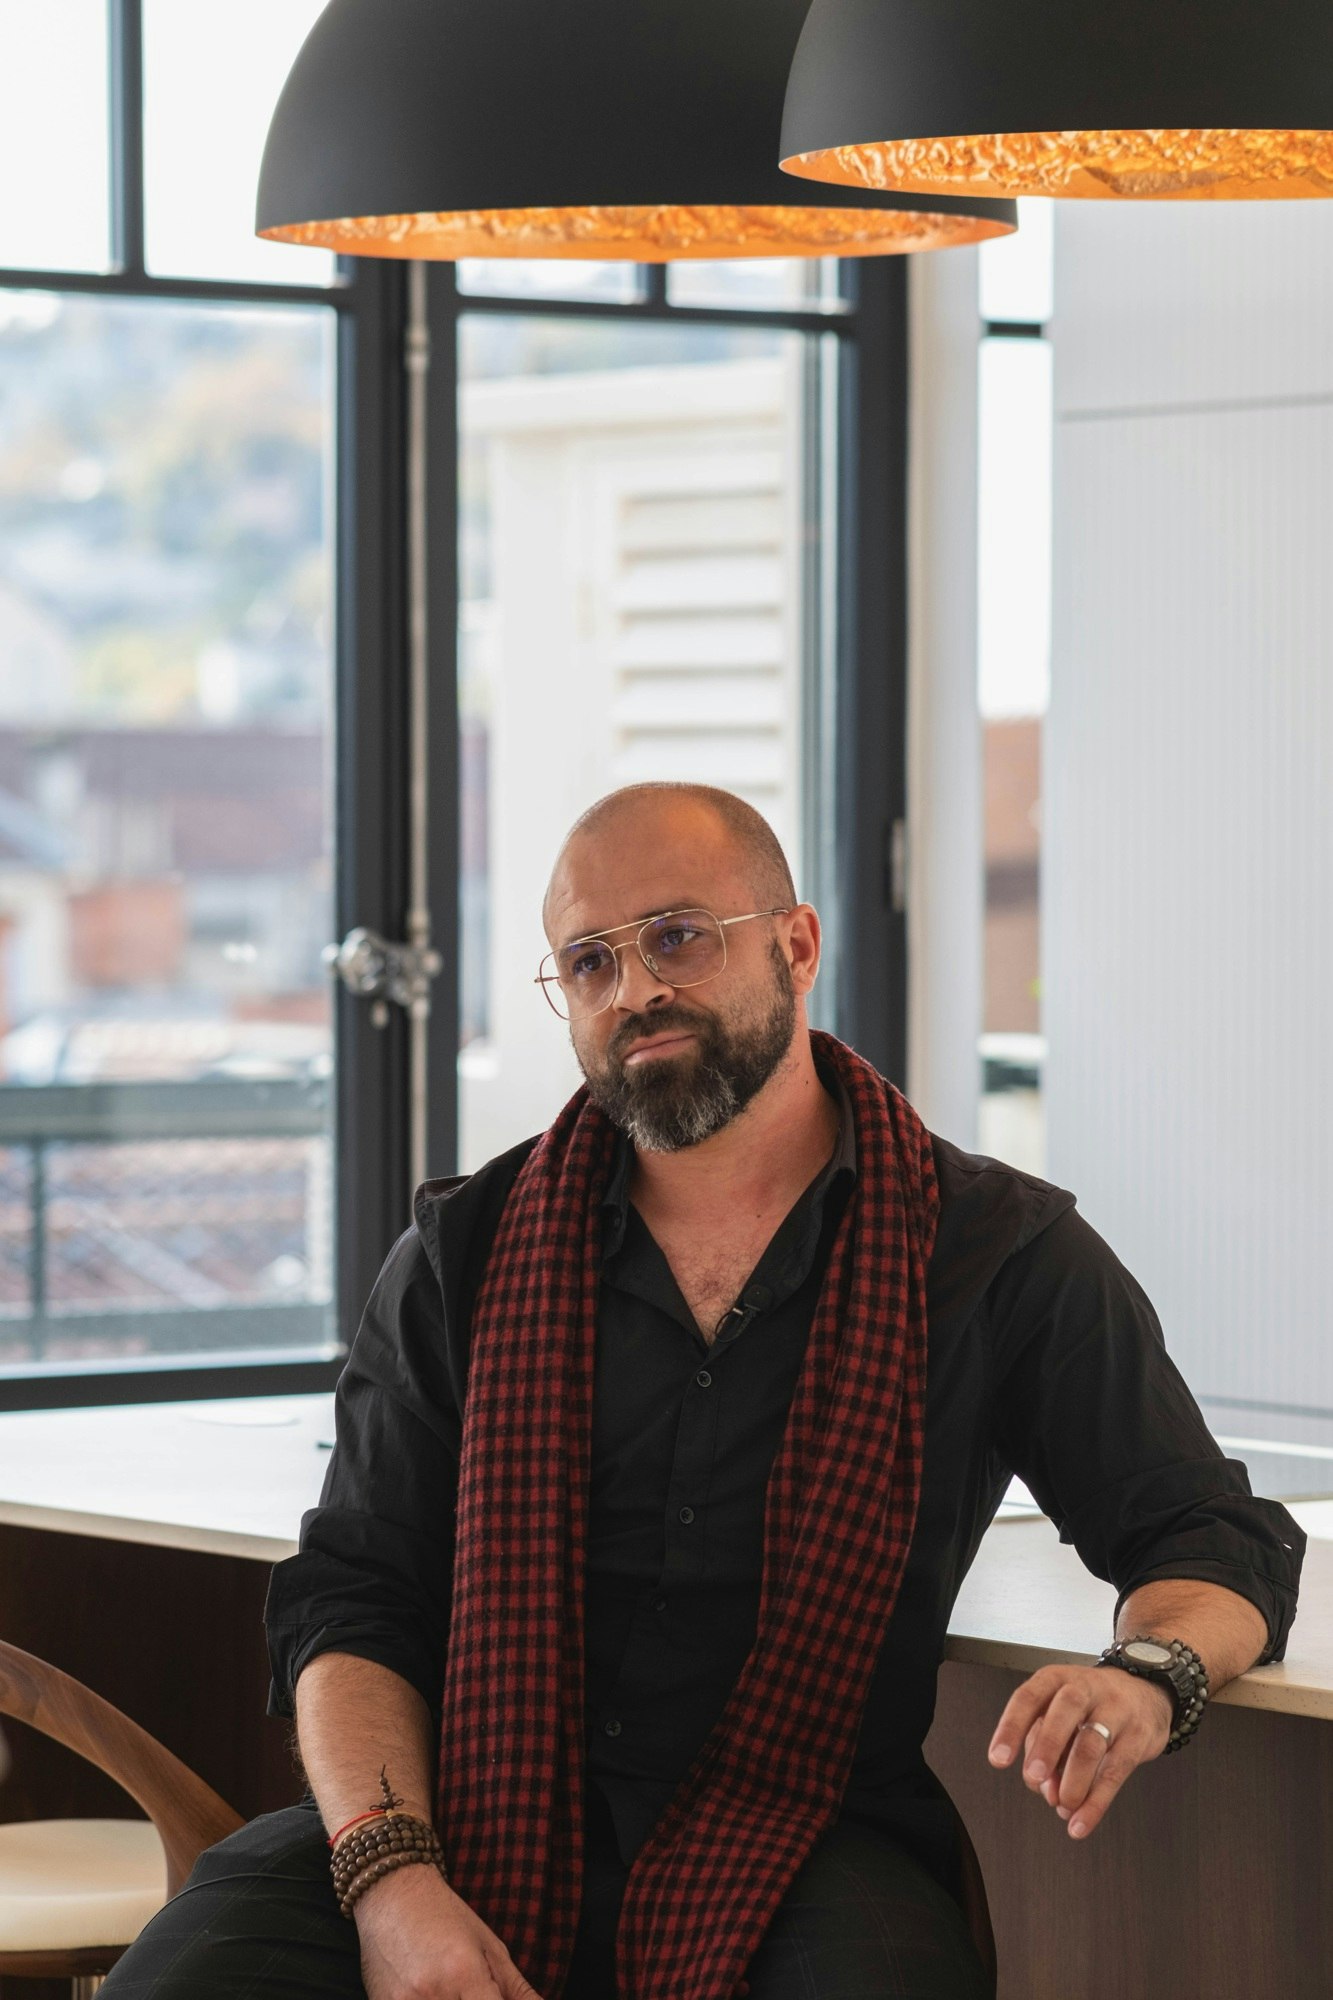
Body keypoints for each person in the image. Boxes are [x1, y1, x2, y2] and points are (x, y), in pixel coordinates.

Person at [102, 782, 1303, 2000]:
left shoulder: (995, 1252)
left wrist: (1148, 1673)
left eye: (677, 935)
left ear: (797, 944)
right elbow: (355, 1597)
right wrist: (394, 1880)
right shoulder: (463, 1252)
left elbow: (1206, 1535)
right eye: (589, 960)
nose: (634, 989)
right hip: (456, 1817)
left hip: (806, 1829)